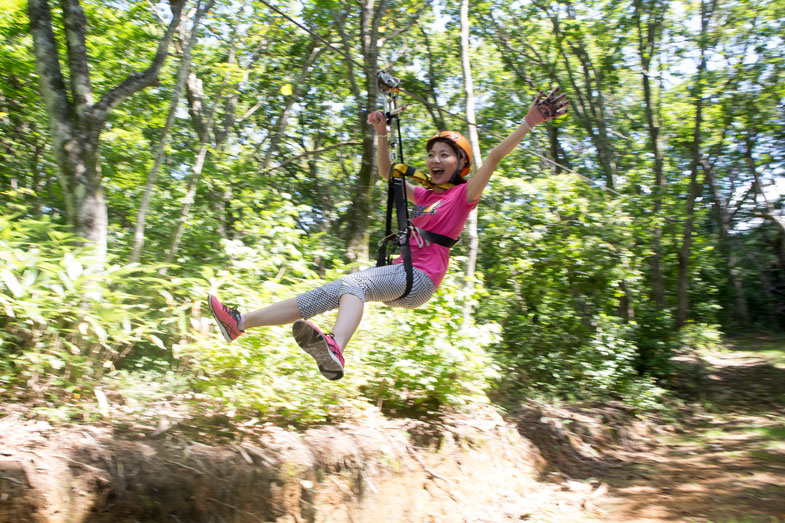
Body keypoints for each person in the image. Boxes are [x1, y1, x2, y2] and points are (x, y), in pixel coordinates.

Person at [209, 88, 569, 381]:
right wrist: (382, 132)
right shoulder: (426, 195)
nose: (434, 159)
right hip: (402, 276)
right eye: (431, 154)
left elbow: (493, 158)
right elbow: (387, 174)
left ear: (460, 165)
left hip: (421, 278)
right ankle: (240, 323)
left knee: (356, 283)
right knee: (319, 297)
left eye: (445, 155)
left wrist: (529, 122)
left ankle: (336, 347)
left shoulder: (463, 196)